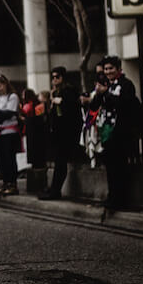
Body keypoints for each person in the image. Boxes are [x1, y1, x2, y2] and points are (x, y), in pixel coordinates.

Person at [88, 55, 140, 219]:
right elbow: (95, 107)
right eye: (106, 69)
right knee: (110, 166)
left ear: (118, 69)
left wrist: (106, 95)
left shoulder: (126, 84)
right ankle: (112, 197)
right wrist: (97, 95)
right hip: (106, 130)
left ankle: (121, 199)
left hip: (121, 131)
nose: (108, 72)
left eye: (111, 68)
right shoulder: (105, 85)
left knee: (120, 166)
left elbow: (125, 104)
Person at [41, 66, 80, 200]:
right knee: (58, 162)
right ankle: (53, 189)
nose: (54, 80)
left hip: (67, 132)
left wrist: (62, 102)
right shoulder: (55, 92)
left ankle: (55, 190)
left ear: (63, 77)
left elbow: (75, 106)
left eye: (57, 77)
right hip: (58, 131)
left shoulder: (69, 91)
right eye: (53, 77)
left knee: (60, 162)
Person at [0, 75, 21, 195]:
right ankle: (5, 182)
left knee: (9, 159)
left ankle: (12, 184)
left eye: (0, 86)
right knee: (1, 160)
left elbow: (7, 114)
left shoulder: (12, 97)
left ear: (6, 84)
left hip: (9, 132)